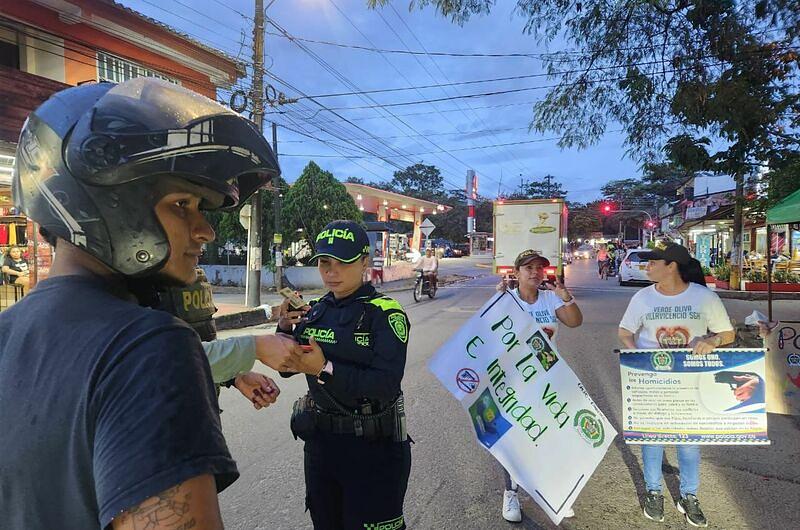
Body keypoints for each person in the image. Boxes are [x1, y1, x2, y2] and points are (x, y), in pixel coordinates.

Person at [0, 78, 284, 529]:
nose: (205, 231)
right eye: (182, 204)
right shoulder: (150, 347)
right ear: (114, 205)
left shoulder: (7, 332)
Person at [277, 220, 412, 530]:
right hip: (322, 447)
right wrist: (284, 327)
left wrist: (325, 370)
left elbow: (385, 385)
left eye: (343, 262)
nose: (331, 271)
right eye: (325, 262)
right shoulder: (315, 311)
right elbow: (286, 367)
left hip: (373, 450)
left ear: (365, 262)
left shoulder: (384, 313)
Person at [618, 242, 735, 528]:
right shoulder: (643, 298)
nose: (647, 267)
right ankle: (654, 491)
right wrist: (637, 357)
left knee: (689, 442)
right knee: (652, 438)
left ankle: (689, 496)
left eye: (653, 262)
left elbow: (727, 333)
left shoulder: (703, 297)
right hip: (653, 381)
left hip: (690, 381)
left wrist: (712, 340)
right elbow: (624, 331)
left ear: (671, 266)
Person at [497, 249, 583, 522]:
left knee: (550, 436)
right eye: (528, 268)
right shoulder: (505, 299)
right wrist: (498, 302)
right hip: (516, 381)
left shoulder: (549, 299)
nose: (535, 273)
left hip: (549, 380)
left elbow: (574, 322)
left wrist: (565, 296)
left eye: (539, 268)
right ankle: (511, 493)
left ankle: (554, 492)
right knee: (516, 440)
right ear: (517, 272)